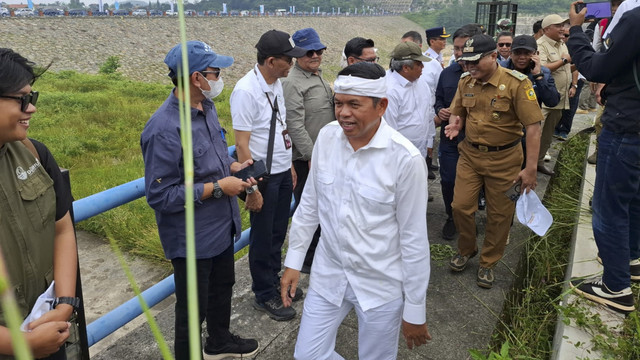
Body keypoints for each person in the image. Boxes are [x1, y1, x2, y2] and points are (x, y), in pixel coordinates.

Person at [280, 62, 431, 359]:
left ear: (381, 106)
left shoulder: (405, 159)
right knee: (307, 355)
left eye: (354, 104)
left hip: (379, 284)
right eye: (338, 103)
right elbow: (310, 204)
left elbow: (413, 239)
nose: (343, 113)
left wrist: (415, 308)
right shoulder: (326, 137)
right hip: (329, 273)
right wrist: (294, 261)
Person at [140, 41, 259, 359]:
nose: (220, 78)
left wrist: (234, 169)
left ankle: (219, 341)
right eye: (215, 72)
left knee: (223, 289)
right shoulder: (164, 129)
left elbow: (214, 160)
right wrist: (220, 187)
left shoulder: (205, 109)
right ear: (196, 78)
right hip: (193, 239)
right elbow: (160, 195)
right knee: (191, 312)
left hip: (221, 227)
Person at [445, 34, 543, 289]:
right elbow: (459, 111)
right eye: (466, 62)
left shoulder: (516, 84)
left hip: (506, 159)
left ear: (493, 56)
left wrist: (530, 169)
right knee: (460, 206)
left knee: (499, 215)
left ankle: (488, 262)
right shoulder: (465, 81)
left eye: (476, 61)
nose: (470, 66)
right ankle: (467, 249)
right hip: (470, 155)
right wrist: (456, 124)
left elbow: (533, 127)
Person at [0, 48, 78, 360]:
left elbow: (63, 229)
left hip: (45, 328)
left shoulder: (34, 153)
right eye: (21, 99)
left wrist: (65, 303)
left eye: (33, 97)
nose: (31, 109)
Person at [567, 0, 640, 314]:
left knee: (609, 208)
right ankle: (631, 259)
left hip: (627, 127)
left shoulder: (636, 20)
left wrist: (575, 30)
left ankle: (615, 287)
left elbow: (598, 67)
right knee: (634, 199)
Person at [231, 29, 307, 322]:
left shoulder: (275, 83)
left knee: (277, 232)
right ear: (271, 60)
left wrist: (287, 164)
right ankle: (263, 294)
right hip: (262, 177)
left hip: (281, 171)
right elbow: (242, 144)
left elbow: (280, 128)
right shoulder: (246, 91)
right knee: (262, 237)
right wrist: (250, 187)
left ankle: (276, 281)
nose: (292, 64)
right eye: (288, 59)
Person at [282, 28, 334, 274]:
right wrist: (313, 156)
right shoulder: (293, 82)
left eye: (318, 50)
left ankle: (320, 253)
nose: (315, 55)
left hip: (325, 156)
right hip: (307, 160)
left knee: (325, 206)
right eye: (308, 52)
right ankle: (307, 259)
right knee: (309, 208)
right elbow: (294, 124)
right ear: (297, 55)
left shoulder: (318, 77)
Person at [434, 24, 483, 241]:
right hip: (450, 140)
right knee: (448, 180)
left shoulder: (488, 75)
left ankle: (468, 218)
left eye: (464, 48)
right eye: (456, 48)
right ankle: (452, 217)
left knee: (476, 183)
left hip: (477, 141)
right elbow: (438, 100)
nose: (459, 53)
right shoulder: (447, 74)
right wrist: (440, 111)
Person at [536, 14, 574, 176]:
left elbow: (565, 69)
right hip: (545, 100)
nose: (562, 28)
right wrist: (564, 61)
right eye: (558, 25)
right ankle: (527, 165)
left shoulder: (561, 44)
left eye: (563, 25)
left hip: (559, 99)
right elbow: (542, 68)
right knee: (536, 134)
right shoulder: (540, 45)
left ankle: (538, 163)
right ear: (546, 29)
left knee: (547, 136)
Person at [400, 31, 441, 180]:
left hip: (423, 135)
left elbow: (438, 94)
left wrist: (436, 117)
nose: (422, 67)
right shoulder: (390, 86)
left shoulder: (430, 69)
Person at [385, 41, 435, 161]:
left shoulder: (421, 83)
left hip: (420, 152)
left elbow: (428, 114)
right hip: (398, 156)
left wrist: (429, 142)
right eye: (419, 64)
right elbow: (388, 129)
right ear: (406, 68)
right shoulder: (389, 90)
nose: (423, 67)